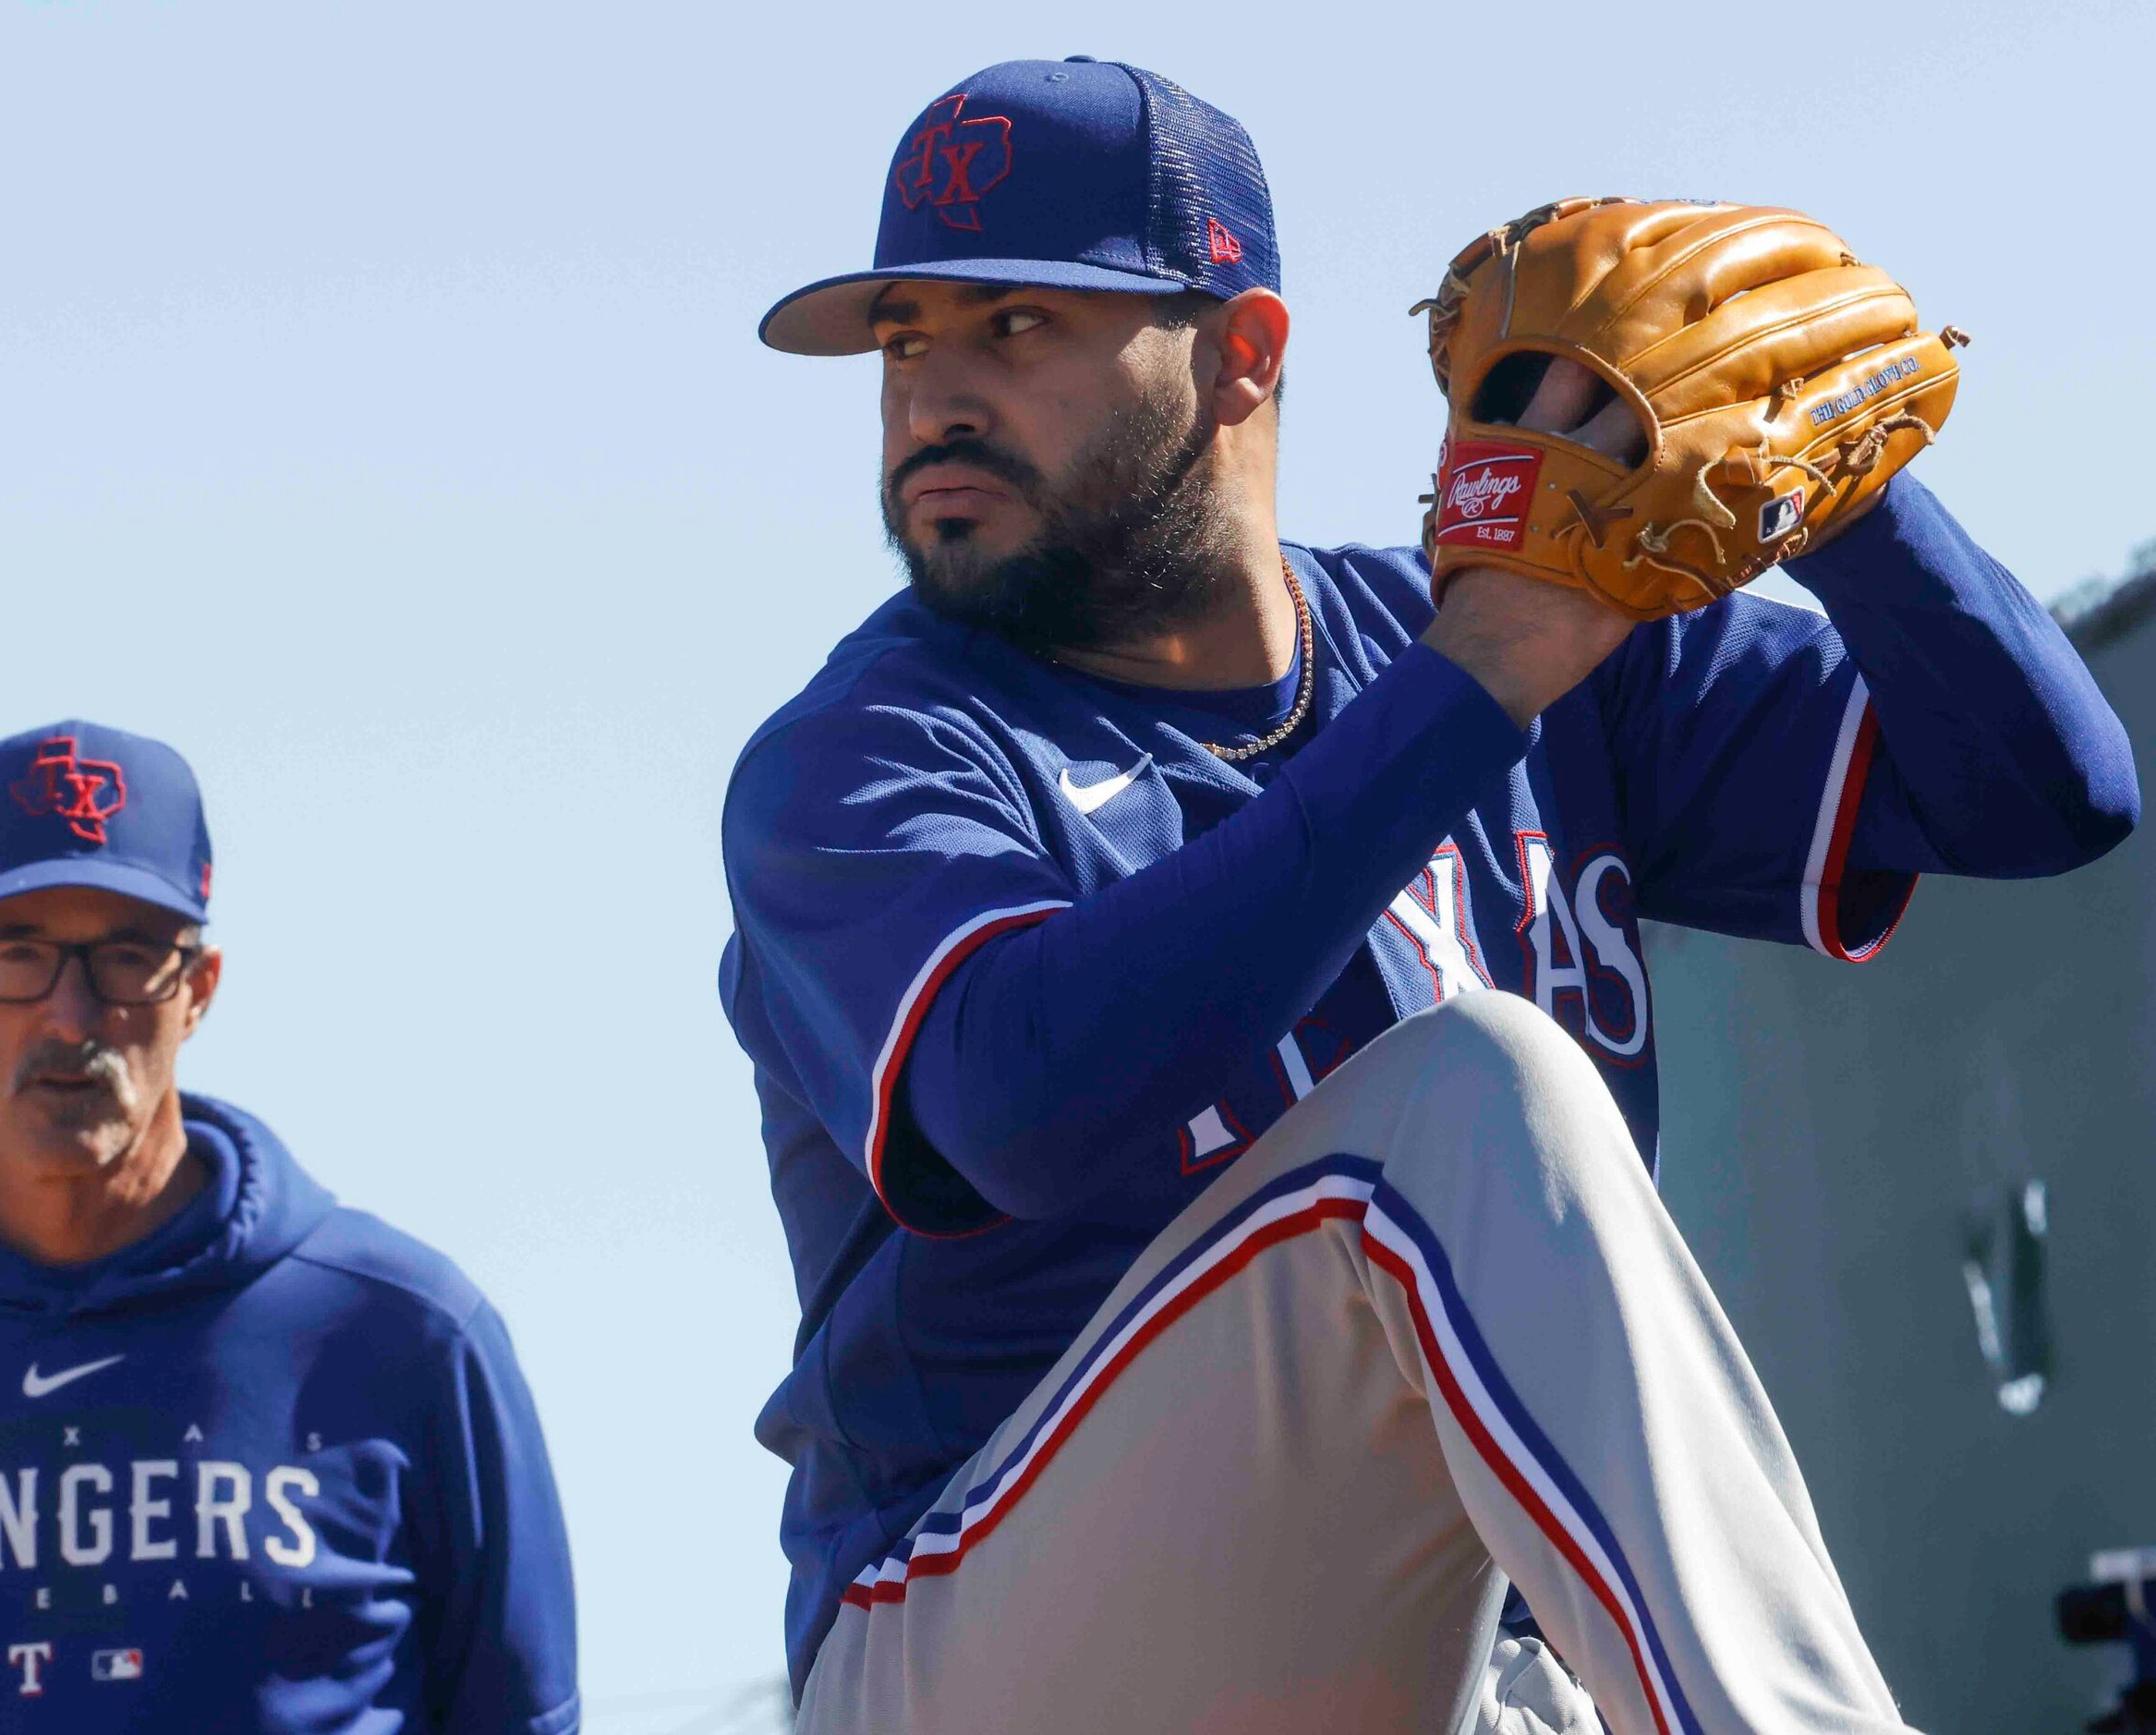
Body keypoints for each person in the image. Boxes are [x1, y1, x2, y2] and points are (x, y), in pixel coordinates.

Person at [716, 56, 2138, 1734]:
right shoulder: (871, 754)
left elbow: (2048, 795)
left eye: (1013, 327)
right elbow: (1025, 1105)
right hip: (974, 1636)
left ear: (1240, 356)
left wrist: (1832, 473)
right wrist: (1475, 682)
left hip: (1442, 1654)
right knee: (1469, 1095)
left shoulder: (1526, 645)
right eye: (902, 338)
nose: (932, 395)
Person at [0, 721, 581, 1733]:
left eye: (126, 956)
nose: (71, 1014)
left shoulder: (408, 1337)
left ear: (197, 988)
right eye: (17, 952)